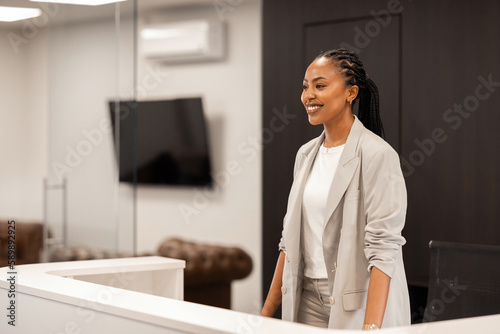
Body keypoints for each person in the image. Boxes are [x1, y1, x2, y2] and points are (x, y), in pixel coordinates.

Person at [260, 48, 410, 330]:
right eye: (305, 87)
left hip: (358, 302)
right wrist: (264, 315)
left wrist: (371, 327)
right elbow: (288, 242)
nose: (308, 96)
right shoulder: (305, 155)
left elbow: (384, 248)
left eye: (320, 86)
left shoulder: (377, 155)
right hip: (306, 298)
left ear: (351, 93)